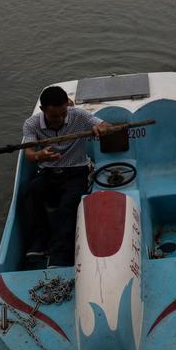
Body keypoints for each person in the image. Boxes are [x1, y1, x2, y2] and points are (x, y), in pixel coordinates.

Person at [22, 85, 112, 267]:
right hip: (48, 171)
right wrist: (41, 155)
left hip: (76, 171)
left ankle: (61, 254)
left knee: (69, 204)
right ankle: (39, 242)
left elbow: (105, 125)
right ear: (43, 110)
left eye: (64, 114)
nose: (61, 119)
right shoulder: (31, 124)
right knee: (32, 192)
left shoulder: (78, 115)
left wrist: (102, 129)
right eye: (55, 116)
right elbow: (29, 153)